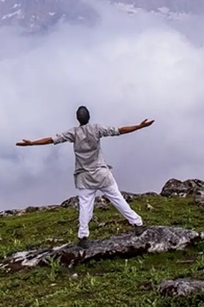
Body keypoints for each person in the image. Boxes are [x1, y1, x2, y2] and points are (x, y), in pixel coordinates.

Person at [16, 105, 155, 246]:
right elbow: (119, 130)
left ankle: (83, 237)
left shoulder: (73, 133)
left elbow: (52, 139)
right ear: (89, 117)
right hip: (102, 173)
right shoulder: (97, 129)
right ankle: (137, 223)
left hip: (84, 177)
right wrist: (139, 126)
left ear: (77, 118)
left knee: (85, 207)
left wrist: (32, 143)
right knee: (118, 199)